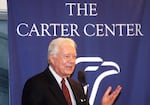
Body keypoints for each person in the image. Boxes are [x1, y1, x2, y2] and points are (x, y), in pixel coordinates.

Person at [22, 37, 122, 105]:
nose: (72, 61)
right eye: (67, 56)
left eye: (74, 57)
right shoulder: (36, 84)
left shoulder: (77, 86)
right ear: (52, 58)